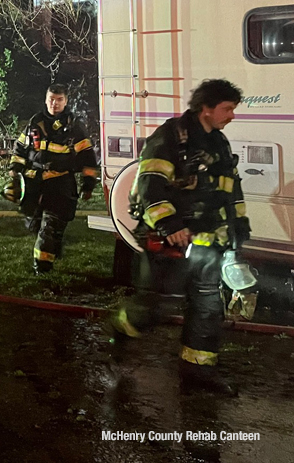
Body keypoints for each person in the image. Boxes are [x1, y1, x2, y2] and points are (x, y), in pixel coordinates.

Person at [114, 79, 250, 396]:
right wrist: (171, 225)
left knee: (206, 306)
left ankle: (198, 372)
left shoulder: (219, 143)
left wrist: (239, 223)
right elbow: (149, 185)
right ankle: (121, 330)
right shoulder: (170, 137)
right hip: (167, 238)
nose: (231, 116)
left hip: (205, 240)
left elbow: (231, 188)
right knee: (155, 307)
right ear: (206, 108)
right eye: (227, 109)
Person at [8, 83, 98, 274]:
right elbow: (21, 147)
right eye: (51, 99)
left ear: (66, 101)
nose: (54, 104)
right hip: (35, 183)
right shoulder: (36, 122)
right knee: (34, 225)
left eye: (59, 100)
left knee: (48, 227)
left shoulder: (74, 128)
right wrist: (15, 169)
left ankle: (42, 268)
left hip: (60, 184)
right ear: (45, 99)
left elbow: (88, 158)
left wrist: (88, 184)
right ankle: (54, 248)